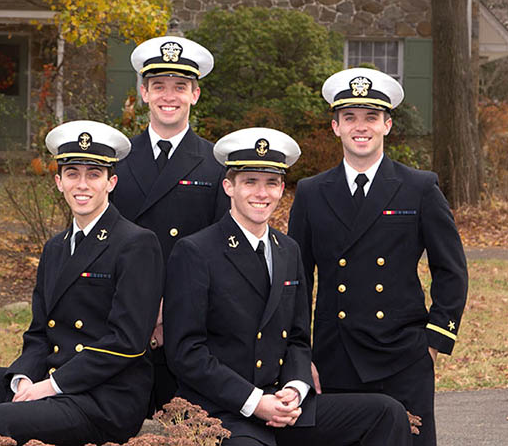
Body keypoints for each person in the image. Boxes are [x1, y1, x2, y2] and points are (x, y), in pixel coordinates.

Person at [164, 127, 413, 446]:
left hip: (283, 404)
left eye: (271, 183)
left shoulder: (288, 249)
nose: (261, 193)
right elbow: (186, 352)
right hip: (224, 410)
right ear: (228, 186)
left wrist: (296, 388)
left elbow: (297, 338)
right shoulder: (196, 251)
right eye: (250, 182)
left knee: (386, 413)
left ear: (282, 188)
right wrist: (256, 402)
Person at [0, 120, 163, 446]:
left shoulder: (136, 243)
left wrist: (51, 386)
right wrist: (22, 379)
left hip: (106, 398)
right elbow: (38, 333)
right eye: (73, 174)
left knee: (2, 419)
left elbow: (126, 341)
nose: (82, 184)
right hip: (50, 379)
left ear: (111, 182)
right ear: (59, 182)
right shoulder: (55, 247)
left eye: (94, 174)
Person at [288, 68, 468, 446]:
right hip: (334, 357)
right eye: (349, 118)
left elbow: (450, 269)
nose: (361, 127)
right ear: (335, 126)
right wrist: (301, 356)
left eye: (371, 117)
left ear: (387, 124)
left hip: (402, 355)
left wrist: (433, 342)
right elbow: (297, 281)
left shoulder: (419, 187)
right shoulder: (310, 191)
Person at [112, 35, 229, 412]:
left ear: (195, 94)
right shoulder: (116, 162)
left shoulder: (216, 165)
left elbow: (221, 256)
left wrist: (169, 310)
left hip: (191, 326)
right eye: (159, 86)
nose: (169, 96)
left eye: (180, 87)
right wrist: (143, 308)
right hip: (124, 321)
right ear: (144, 93)